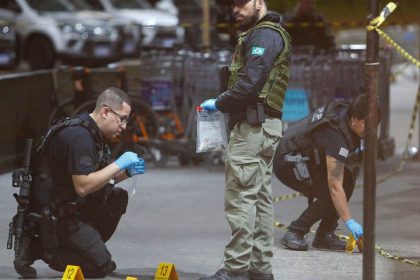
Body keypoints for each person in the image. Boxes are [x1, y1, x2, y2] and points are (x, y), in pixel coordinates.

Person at [199, 0, 291, 279]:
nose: (235, 9)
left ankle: (236, 268)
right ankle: (260, 268)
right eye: (232, 5)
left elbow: (251, 83)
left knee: (241, 199)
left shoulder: (263, 35)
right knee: (260, 201)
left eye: (241, 3)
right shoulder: (270, 32)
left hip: (253, 128)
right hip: (266, 126)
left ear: (259, 3)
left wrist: (221, 102)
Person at [14, 87, 145, 278]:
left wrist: (126, 172)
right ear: (105, 111)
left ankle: (84, 246)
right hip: (55, 214)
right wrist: (119, 163)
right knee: (100, 266)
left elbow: (98, 178)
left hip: (70, 205)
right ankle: (39, 249)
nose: (124, 126)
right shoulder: (80, 136)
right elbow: (83, 186)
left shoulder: (90, 132)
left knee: (116, 197)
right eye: (122, 118)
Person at [273, 94, 379, 251]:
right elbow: (335, 186)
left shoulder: (346, 113)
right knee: (332, 192)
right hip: (287, 163)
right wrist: (348, 220)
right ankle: (295, 231)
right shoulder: (337, 138)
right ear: (355, 119)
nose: (371, 130)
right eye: (367, 125)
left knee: (347, 181)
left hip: (306, 158)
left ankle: (324, 235)